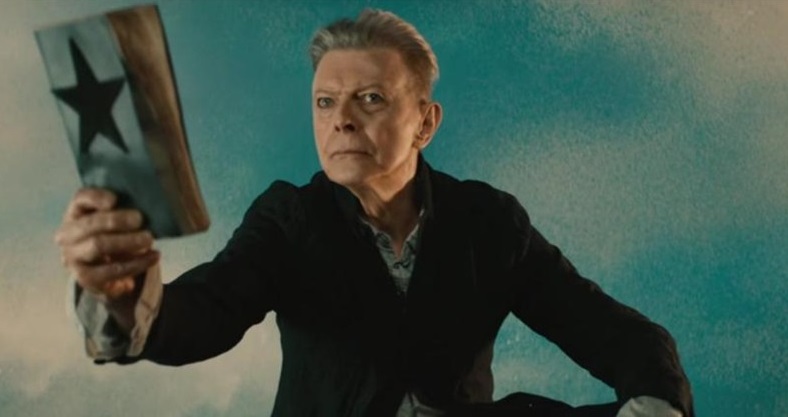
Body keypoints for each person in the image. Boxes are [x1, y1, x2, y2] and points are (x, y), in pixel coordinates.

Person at [54, 9, 693, 417]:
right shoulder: (289, 218)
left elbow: (616, 334)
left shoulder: (489, 222)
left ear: (425, 123)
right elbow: (205, 312)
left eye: (370, 98)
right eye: (325, 102)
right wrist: (120, 293)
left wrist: (658, 406)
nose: (341, 120)